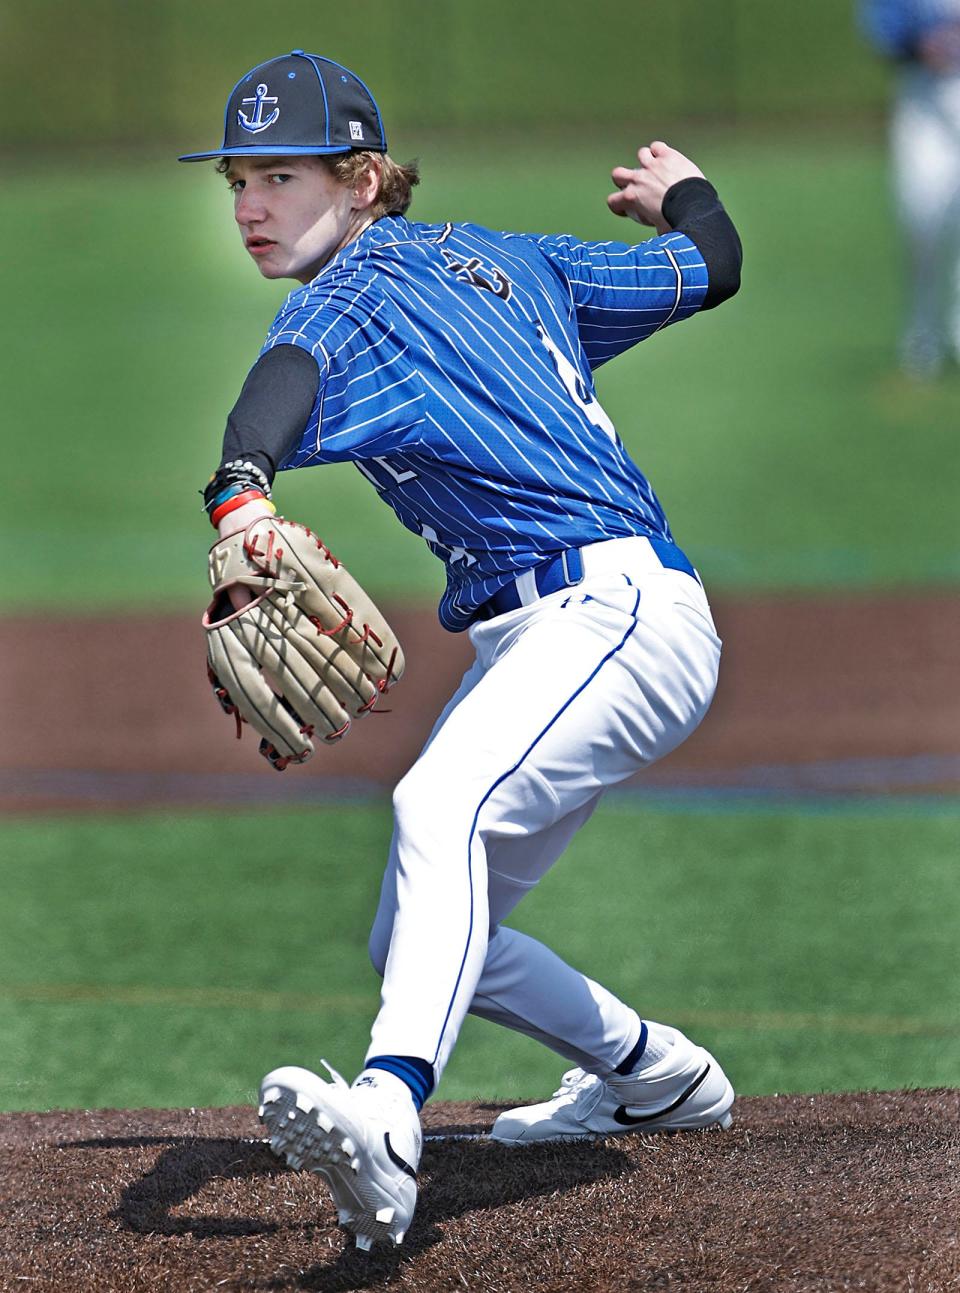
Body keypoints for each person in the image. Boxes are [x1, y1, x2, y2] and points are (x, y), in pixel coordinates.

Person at [181, 50, 742, 1251]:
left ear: (367, 178)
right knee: (424, 934)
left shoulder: (349, 298)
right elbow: (711, 269)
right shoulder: (518, 261)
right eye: (238, 180)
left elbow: (284, 381)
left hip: (613, 615)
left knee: (439, 806)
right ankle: (656, 1074)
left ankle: (387, 1118)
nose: (250, 208)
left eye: (283, 176)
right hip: (578, 630)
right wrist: (685, 193)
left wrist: (242, 485)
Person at [860, 0, 960, 377]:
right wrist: (921, 45)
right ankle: (922, 333)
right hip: (924, 96)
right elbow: (883, 27)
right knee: (922, 218)